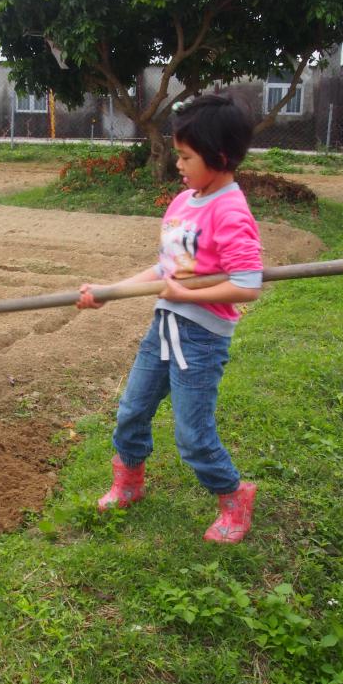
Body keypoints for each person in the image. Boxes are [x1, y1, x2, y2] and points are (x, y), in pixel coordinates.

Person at [77, 93, 263, 544]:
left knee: (193, 435)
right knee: (132, 411)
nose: (178, 164)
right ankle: (129, 483)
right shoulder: (183, 203)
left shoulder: (232, 212)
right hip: (163, 328)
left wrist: (185, 293)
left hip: (200, 337)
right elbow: (164, 271)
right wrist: (110, 291)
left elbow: (247, 285)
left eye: (185, 156)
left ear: (219, 156)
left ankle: (234, 495)